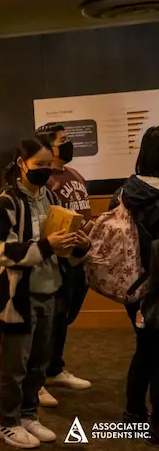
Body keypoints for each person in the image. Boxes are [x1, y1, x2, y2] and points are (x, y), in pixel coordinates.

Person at [0, 138, 90, 449]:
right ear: (22, 164)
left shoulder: (48, 196)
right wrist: (48, 246)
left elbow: (59, 251)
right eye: (39, 165)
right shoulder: (7, 202)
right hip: (17, 298)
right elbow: (2, 251)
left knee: (38, 362)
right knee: (14, 366)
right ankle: (6, 422)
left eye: (49, 165)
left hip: (50, 290)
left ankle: (28, 415)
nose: (46, 171)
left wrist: (77, 246)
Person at [34, 123, 92, 409]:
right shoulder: (46, 181)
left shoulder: (75, 174)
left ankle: (54, 369)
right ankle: (37, 380)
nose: (67, 144)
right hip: (55, 259)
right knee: (49, 320)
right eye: (62, 140)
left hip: (77, 257)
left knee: (64, 317)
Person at [109, 126, 159, 445]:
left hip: (133, 285)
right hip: (157, 286)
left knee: (146, 348)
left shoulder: (124, 192)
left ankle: (133, 414)